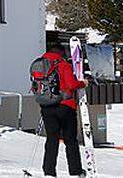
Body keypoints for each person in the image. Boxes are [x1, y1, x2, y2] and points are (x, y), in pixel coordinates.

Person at [34, 44, 86, 177]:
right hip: (65, 106)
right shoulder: (63, 64)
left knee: (52, 139)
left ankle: (49, 171)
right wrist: (83, 83)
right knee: (70, 140)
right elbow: (71, 84)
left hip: (46, 107)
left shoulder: (40, 64)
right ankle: (75, 171)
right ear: (61, 53)